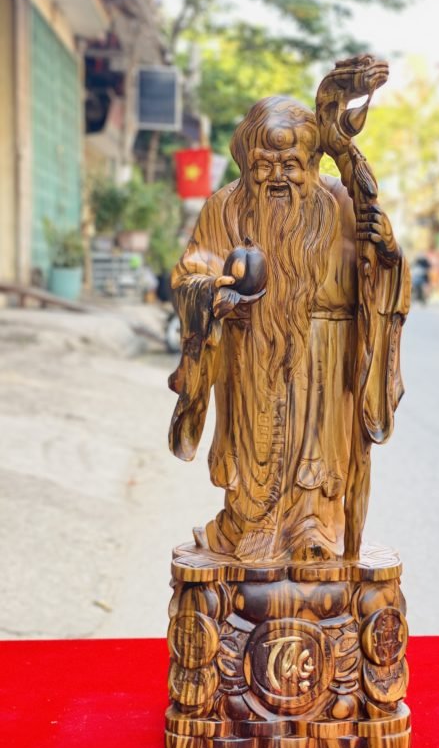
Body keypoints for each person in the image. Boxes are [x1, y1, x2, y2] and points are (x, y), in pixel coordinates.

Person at [168, 96, 408, 562]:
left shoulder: (341, 203)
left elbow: (380, 285)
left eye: (291, 164)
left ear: (312, 162)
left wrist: (387, 252)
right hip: (251, 353)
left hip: (326, 355)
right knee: (253, 448)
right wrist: (212, 294)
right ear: (247, 162)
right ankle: (248, 523)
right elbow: (190, 274)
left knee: (319, 454)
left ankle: (315, 526)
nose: (277, 176)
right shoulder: (225, 208)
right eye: (264, 164)